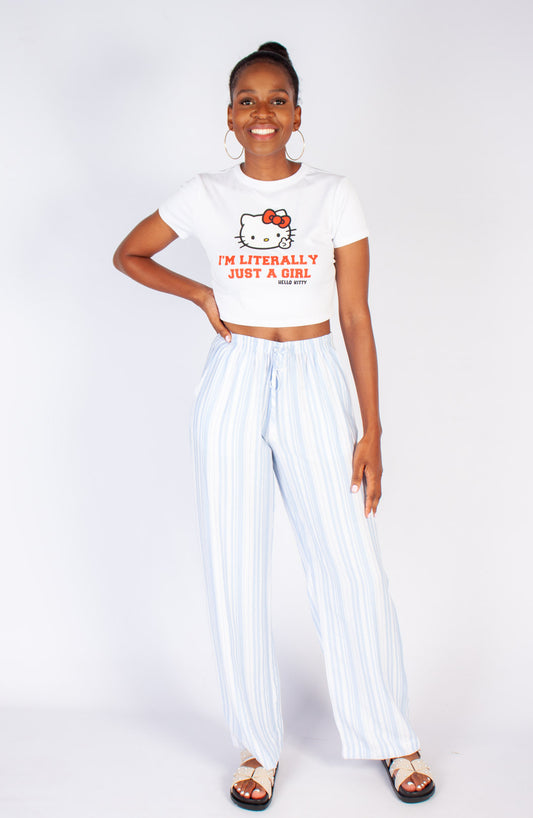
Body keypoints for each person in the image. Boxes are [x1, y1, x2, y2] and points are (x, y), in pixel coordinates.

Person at [113, 41, 436, 810]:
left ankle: (389, 733)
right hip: (234, 374)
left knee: (350, 562)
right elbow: (129, 255)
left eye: (277, 99)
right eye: (248, 100)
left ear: (296, 114)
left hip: (315, 375)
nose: (262, 112)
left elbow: (354, 316)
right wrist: (201, 295)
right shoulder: (204, 194)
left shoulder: (332, 194)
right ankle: (257, 745)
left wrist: (371, 431)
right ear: (230, 116)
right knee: (233, 560)